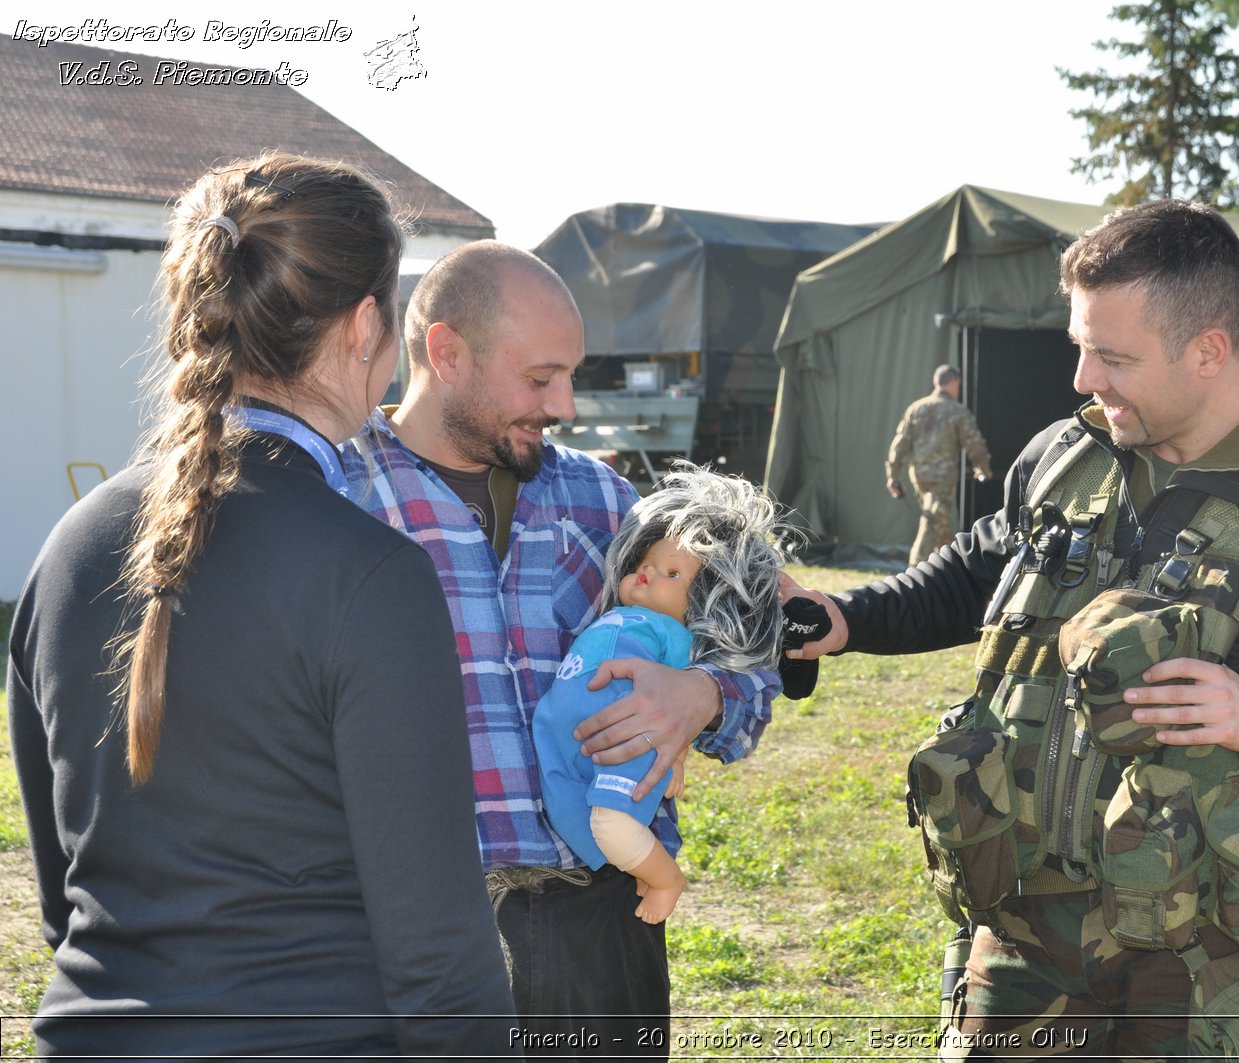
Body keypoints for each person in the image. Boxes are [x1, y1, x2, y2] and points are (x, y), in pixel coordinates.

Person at [788, 200, 1239, 1059]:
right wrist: (849, 618)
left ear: (1209, 351)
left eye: (1113, 356)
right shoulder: (1066, 456)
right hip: (1022, 949)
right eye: (1080, 346)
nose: (1085, 379)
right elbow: (987, 565)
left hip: (1210, 973)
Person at [6, 153, 514, 1056]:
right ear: (366, 328)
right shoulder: (371, 576)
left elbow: (63, 894)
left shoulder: (66, 550)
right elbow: (439, 958)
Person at [341, 241, 779, 1057]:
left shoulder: (605, 500)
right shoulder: (345, 496)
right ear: (447, 353)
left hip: (603, 925)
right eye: (541, 378)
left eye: (572, 374)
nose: (567, 404)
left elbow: (752, 657)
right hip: (416, 936)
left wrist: (705, 697)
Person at [534, 469, 787, 925]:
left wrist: (677, 756)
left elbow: (684, 698)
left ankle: (666, 878)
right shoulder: (617, 616)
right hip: (570, 743)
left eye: (671, 573)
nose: (649, 573)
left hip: (626, 744)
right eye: (645, 565)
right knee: (573, 810)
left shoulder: (675, 636)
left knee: (612, 824)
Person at [887, 364, 994, 565]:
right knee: (931, 523)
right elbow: (975, 445)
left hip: (919, 476)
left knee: (939, 524)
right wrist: (985, 470)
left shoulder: (915, 409)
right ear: (953, 383)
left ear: (936, 382)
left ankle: (949, 568)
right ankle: (913, 569)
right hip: (942, 478)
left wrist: (893, 475)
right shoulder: (956, 411)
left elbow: (900, 444)